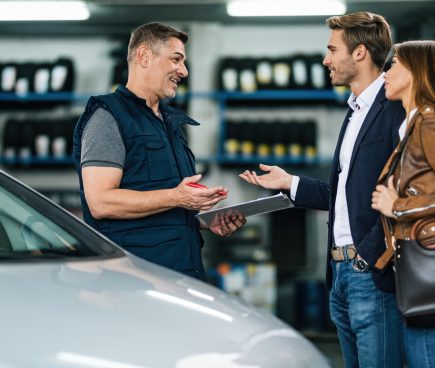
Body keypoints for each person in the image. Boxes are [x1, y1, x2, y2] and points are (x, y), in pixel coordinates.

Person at [240, 12, 405, 367]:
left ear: (359, 53)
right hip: (340, 275)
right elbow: (348, 195)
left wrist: (371, 254)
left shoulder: (394, 110)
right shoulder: (355, 110)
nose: (326, 59)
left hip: (370, 274)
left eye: (333, 50)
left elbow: (406, 190)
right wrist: (290, 183)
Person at [73, 22, 245, 280]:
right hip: (134, 281)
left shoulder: (170, 123)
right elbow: (100, 202)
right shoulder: (108, 117)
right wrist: (177, 197)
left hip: (181, 274)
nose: (184, 71)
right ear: (143, 56)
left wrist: (204, 221)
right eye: (176, 59)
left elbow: (163, 207)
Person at [372, 40, 435, 368]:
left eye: (394, 63)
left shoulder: (428, 122)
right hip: (414, 270)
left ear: (416, 71)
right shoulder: (412, 123)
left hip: (426, 272)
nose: (386, 71)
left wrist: (396, 205)